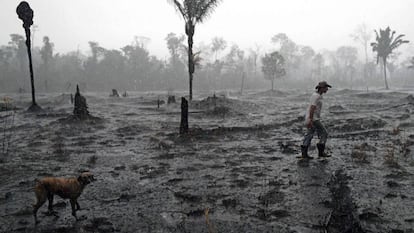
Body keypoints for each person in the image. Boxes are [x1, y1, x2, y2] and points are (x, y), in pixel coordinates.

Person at [300, 81, 332, 159]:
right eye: (326, 87)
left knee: (309, 134)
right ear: (321, 88)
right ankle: (320, 152)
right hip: (313, 119)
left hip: (312, 118)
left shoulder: (317, 95)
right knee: (324, 133)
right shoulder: (316, 96)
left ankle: (304, 154)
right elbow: (312, 108)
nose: (327, 89)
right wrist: (310, 119)